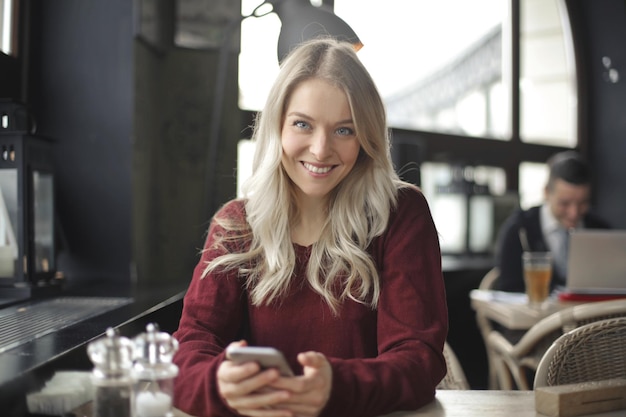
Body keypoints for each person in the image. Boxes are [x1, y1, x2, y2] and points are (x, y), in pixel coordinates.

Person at [172, 38, 448, 417]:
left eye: (344, 130)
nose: (320, 150)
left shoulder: (401, 214)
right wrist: (217, 382)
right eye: (303, 124)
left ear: (366, 138)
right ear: (277, 127)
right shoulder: (236, 223)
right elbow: (190, 346)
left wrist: (335, 387)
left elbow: (418, 360)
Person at [495, 151, 611, 293]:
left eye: (583, 203)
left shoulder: (600, 230)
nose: (574, 213)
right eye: (564, 203)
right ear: (546, 193)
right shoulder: (519, 230)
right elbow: (509, 289)